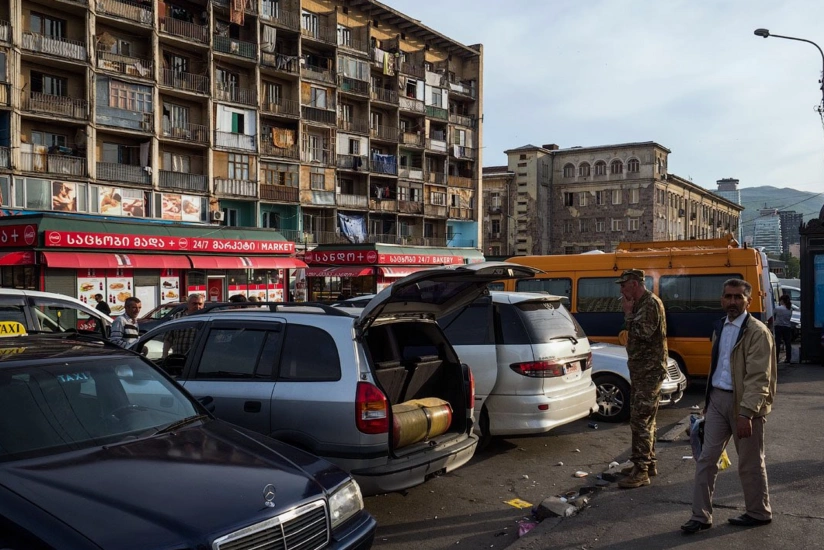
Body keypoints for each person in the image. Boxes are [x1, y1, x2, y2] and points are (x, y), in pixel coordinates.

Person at [681, 278, 777, 534]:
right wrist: (709, 400)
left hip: (745, 405)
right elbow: (718, 367)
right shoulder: (720, 327)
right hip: (718, 402)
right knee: (706, 459)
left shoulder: (757, 332)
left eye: (738, 297)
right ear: (721, 300)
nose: (732, 301)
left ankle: (758, 512)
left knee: (750, 463)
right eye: (728, 296)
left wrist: (746, 412)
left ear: (748, 300)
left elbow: (759, 378)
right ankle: (700, 516)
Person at [615, 269, 668, 489]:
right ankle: (648, 462)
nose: (621, 289)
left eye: (624, 284)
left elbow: (644, 333)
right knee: (646, 419)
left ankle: (641, 471)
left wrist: (628, 314)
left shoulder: (650, 304)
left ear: (635, 284)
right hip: (642, 369)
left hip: (649, 371)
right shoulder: (642, 303)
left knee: (640, 419)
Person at [162, 294, 205, 358]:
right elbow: (168, 338)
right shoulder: (178, 317)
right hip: (179, 357)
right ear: (188, 304)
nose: (197, 306)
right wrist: (165, 355)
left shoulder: (206, 318)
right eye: (194, 304)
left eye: (200, 304)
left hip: (198, 359)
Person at [773, 294, 793, 364]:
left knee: (777, 343)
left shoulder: (778, 308)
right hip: (787, 327)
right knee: (788, 343)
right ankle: (788, 358)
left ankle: (776, 358)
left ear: (782, 301)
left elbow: (773, 315)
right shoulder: (789, 308)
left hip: (778, 326)